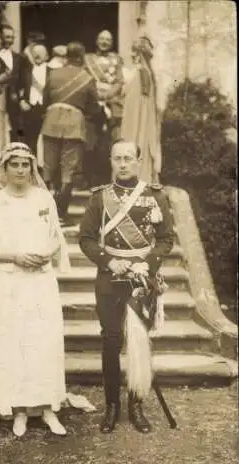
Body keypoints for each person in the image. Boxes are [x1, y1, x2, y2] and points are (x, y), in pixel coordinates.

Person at [0, 142, 71, 437]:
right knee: (14, 343)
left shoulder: (43, 197)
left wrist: (46, 253)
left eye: (25, 164)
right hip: (9, 281)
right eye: (14, 164)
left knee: (44, 341)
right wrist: (14, 255)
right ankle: (19, 411)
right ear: (4, 168)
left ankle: (49, 407)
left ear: (32, 168)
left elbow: (56, 237)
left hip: (40, 280)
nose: (20, 170)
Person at [79, 140, 174, 434]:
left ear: (138, 161)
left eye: (128, 158)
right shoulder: (99, 198)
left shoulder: (154, 195)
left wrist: (149, 264)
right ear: (110, 160)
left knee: (138, 341)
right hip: (110, 278)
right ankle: (112, 407)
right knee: (110, 341)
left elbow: (166, 238)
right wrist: (108, 261)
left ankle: (136, 406)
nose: (123, 164)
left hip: (143, 278)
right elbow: (86, 239)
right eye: (117, 158)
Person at [41, 41, 103, 225]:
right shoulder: (87, 78)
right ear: (81, 57)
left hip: (51, 121)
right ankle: (60, 215)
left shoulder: (53, 74)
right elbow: (94, 107)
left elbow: (45, 99)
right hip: (74, 124)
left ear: (67, 56)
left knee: (48, 169)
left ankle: (43, 214)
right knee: (68, 171)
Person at [84, 30, 124, 187]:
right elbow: (85, 80)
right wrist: (96, 96)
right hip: (93, 107)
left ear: (112, 42)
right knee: (90, 144)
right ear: (96, 41)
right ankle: (89, 180)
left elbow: (120, 82)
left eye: (108, 39)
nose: (104, 42)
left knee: (109, 144)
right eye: (101, 39)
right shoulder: (88, 59)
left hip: (111, 106)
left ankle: (107, 179)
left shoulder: (117, 60)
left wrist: (107, 95)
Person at [120, 36, 161, 184]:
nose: (132, 56)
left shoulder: (139, 73)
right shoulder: (147, 74)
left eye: (135, 52)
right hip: (139, 118)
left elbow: (127, 94)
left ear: (140, 55)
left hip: (135, 120)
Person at [0, 25, 28, 142]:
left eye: (12, 37)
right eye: (7, 37)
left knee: (16, 129)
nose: (10, 40)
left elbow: (23, 80)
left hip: (14, 100)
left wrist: (21, 97)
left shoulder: (19, 58)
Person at [20, 44, 49, 155]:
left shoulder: (52, 71)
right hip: (30, 109)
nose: (37, 55)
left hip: (46, 109)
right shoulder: (26, 71)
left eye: (40, 52)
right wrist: (21, 100)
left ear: (46, 56)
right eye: (35, 52)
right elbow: (19, 87)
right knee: (30, 141)